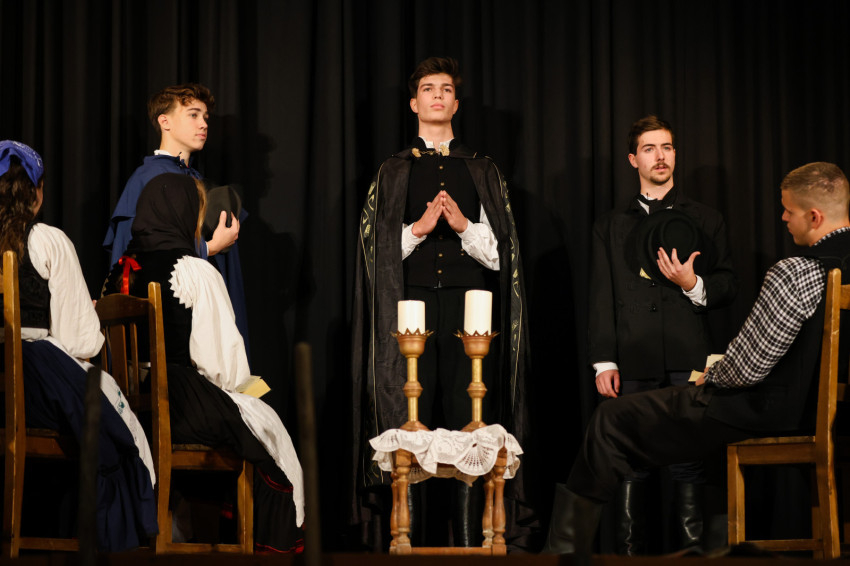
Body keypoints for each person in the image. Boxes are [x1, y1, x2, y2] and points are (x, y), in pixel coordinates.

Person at [544, 161, 850, 557]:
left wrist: (712, 373)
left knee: (610, 420)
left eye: (789, 210)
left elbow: (747, 368)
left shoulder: (797, 272)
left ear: (815, 216)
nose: (783, 218)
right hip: (830, 415)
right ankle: (711, 548)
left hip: (771, 412)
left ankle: (562, 555)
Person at [351, 56, 530, 548]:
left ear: (456, 102)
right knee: (409, 416)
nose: (437, 96)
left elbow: (503, 254)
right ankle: (408, 539)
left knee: (468, 415)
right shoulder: (393, 170)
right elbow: (374, 252)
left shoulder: (482, 169)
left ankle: (470, 541)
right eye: (428, 89)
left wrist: (464, 226)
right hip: (409, 308)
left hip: (469, 312)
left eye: (446, 89)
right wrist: (419, 229)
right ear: (414, 103)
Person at [105, 172, 304, 553]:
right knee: (266, 431)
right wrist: (247, 389)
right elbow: (223, 368)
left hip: (126, 407)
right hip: (179, 405)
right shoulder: (193, 270)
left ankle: (191, 531)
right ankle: (257, 545)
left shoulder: (119, 271)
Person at [588, 115, 738, 554]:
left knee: (690, 462)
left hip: (689, 357)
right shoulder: (611, 225)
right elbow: (601, 295)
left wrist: (693, 284)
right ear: (633, 159)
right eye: (650, 149)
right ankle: (629, 557)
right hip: (633, 358)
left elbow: (728, 284)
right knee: (631, 460)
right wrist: (604, 361)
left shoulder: (706, 218)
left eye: (667, 147)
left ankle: (693, 556)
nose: (660, 156)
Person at [0, 140, 157, 551]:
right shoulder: (46, 240)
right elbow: (81, 340)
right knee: (110, 426)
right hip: (33, 384)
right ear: (36, 193)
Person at [102, 83, 249, 350]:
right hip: (168, 317)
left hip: (202, 307)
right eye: (193, 115)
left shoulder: (198, 181)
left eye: (205, 117)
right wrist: (210, 247)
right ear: (165, 121)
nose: (203, 124)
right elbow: (136, 256)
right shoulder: (147, 180)